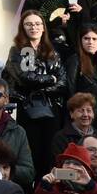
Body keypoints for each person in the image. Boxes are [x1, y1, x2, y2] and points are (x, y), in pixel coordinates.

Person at [5, 10, 69, 178]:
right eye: (29, 24)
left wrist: (44, 87)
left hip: (51, 110)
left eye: (37, 23)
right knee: (31, 155)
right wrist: (51, 78)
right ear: (23, 28)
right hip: (28, 109)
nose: (34, 27)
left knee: (50, 156)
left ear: (43, 27)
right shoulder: (20, 50)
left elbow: (63, 82)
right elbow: (26, 77)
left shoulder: (53, 51)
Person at [61, 24, 97, 131]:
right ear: (81, 41)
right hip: (81, 117)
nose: (90, 42)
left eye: (94, 39)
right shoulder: (75, 60)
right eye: (86, 38)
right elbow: (70, 90)